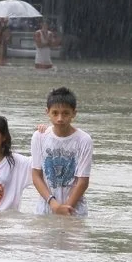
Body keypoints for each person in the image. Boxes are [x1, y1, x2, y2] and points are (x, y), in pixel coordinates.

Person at [31, 87, 93, 216]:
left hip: (74, 210)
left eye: (65, 113)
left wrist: (66, 207)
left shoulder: (84, 140)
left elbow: (82, 181)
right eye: (55, 113)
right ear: (47, 112)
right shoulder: (39, 136)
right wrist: (53, 204)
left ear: (74, 113)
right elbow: (36, 175)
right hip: (46, 208)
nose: (60, 118)